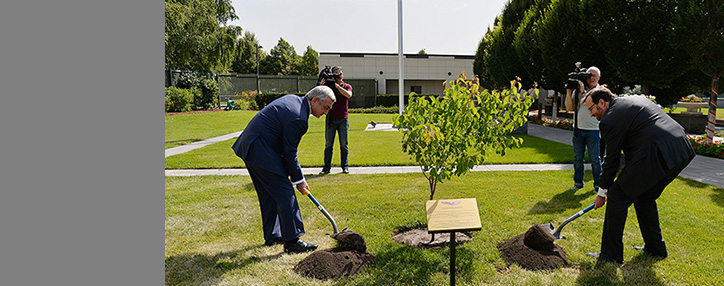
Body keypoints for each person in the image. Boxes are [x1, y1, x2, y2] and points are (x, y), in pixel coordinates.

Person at [584, 87, 695, 264]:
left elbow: (611, 161)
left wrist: (602, 192)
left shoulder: (610, 119)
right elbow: (630, 150)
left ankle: (611, 255)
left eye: (591, 109)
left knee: (617, 195)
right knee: (644, 197)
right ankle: (655, 248)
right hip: (681, 150)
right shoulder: (632, 101)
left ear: (602, 103)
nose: (591, 114)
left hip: (657, 152)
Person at [231, 86, 336, 253]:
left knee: (269, 195)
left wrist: (295, 176)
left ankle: (273, 234)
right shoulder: (299, 118)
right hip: (259, 149)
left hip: (251, 146)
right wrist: (299, 180)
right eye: (325, 107)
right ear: (315, 100)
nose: (326, 113)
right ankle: (292, 241)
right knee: (285, 193)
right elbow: (289, 153)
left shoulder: (294, 100)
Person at [564, 66, 602, 192]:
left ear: (599, 78)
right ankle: (578, 183)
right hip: (578, 129)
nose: (591, 78)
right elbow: (569, 108)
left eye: (593, 76)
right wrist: (569, 91)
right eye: (588, 75)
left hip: (593, 130)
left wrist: (583, 91)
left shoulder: (600, 91)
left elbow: (592, 102)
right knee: (577, 158)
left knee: (595, 159)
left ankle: (598, 184)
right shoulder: (578, 91)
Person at [318, 66, 353, 175]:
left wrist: (337, 86)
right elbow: (318, 96)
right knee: (329, 144)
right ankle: (326, 168)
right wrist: (321, 85)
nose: (339, 75)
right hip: (331, 119)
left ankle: (345, 167)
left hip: (343, 119)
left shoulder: (346, 86)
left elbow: (348, 95)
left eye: (340, 73)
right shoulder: (328, 87)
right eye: (336, 74)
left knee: (344, 144)